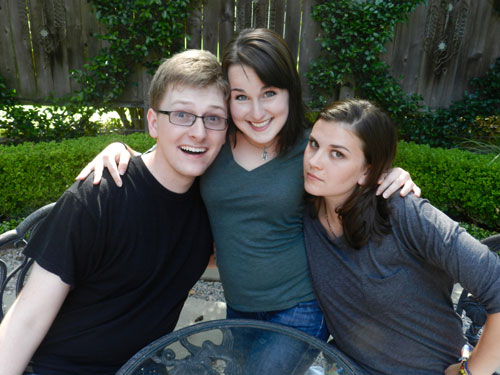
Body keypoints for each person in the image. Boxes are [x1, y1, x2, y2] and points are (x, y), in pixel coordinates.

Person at [76, 29, 419, 373]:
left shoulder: (309, 150)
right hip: (238, 307)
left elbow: (355, 167)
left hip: (299, 307)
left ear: (289, 91)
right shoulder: (213, 141)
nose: (256, 112)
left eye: (269, 93)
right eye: (240, 97)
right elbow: (165, 155)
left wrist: (390, 174)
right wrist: (120, 150)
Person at [0, 49, 229, 375]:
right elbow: (26, 319)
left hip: (144, 368)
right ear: (153, 122)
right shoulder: (97, 198)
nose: (199, 131)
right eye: (181, 114)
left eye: (213, 118)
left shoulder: (215, 205)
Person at [302, 99, 500, 375]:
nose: (314, 161)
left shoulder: (402, 211)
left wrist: (470, 371)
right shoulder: (304, 211)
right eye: (313, 144)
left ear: (368, 171)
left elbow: (496, 283)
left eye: (337, 154)